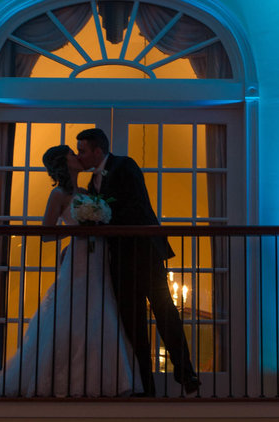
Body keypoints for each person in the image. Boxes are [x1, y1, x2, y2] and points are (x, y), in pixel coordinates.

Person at [0, 144, 141, 397]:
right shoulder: (58, 195)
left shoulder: (87, 191)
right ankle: (60, 380)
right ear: (64, 162)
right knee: (73, 311)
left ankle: (104, 379)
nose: (77, 156)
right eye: (73, 154)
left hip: (99, 257)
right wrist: (77, 230)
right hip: (79, 257)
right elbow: (47, 233)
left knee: (100, 310)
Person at [76, 127, 200, 396]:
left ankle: (185, 370)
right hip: (119, 259)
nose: (80, 155)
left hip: (144, 252)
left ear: (98, 150)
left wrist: (103, 216)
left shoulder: (125, 165)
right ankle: (147, 385)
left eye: (82, 150)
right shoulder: (90, 184)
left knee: (165, 310)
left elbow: (136, 205)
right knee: (133, 324)